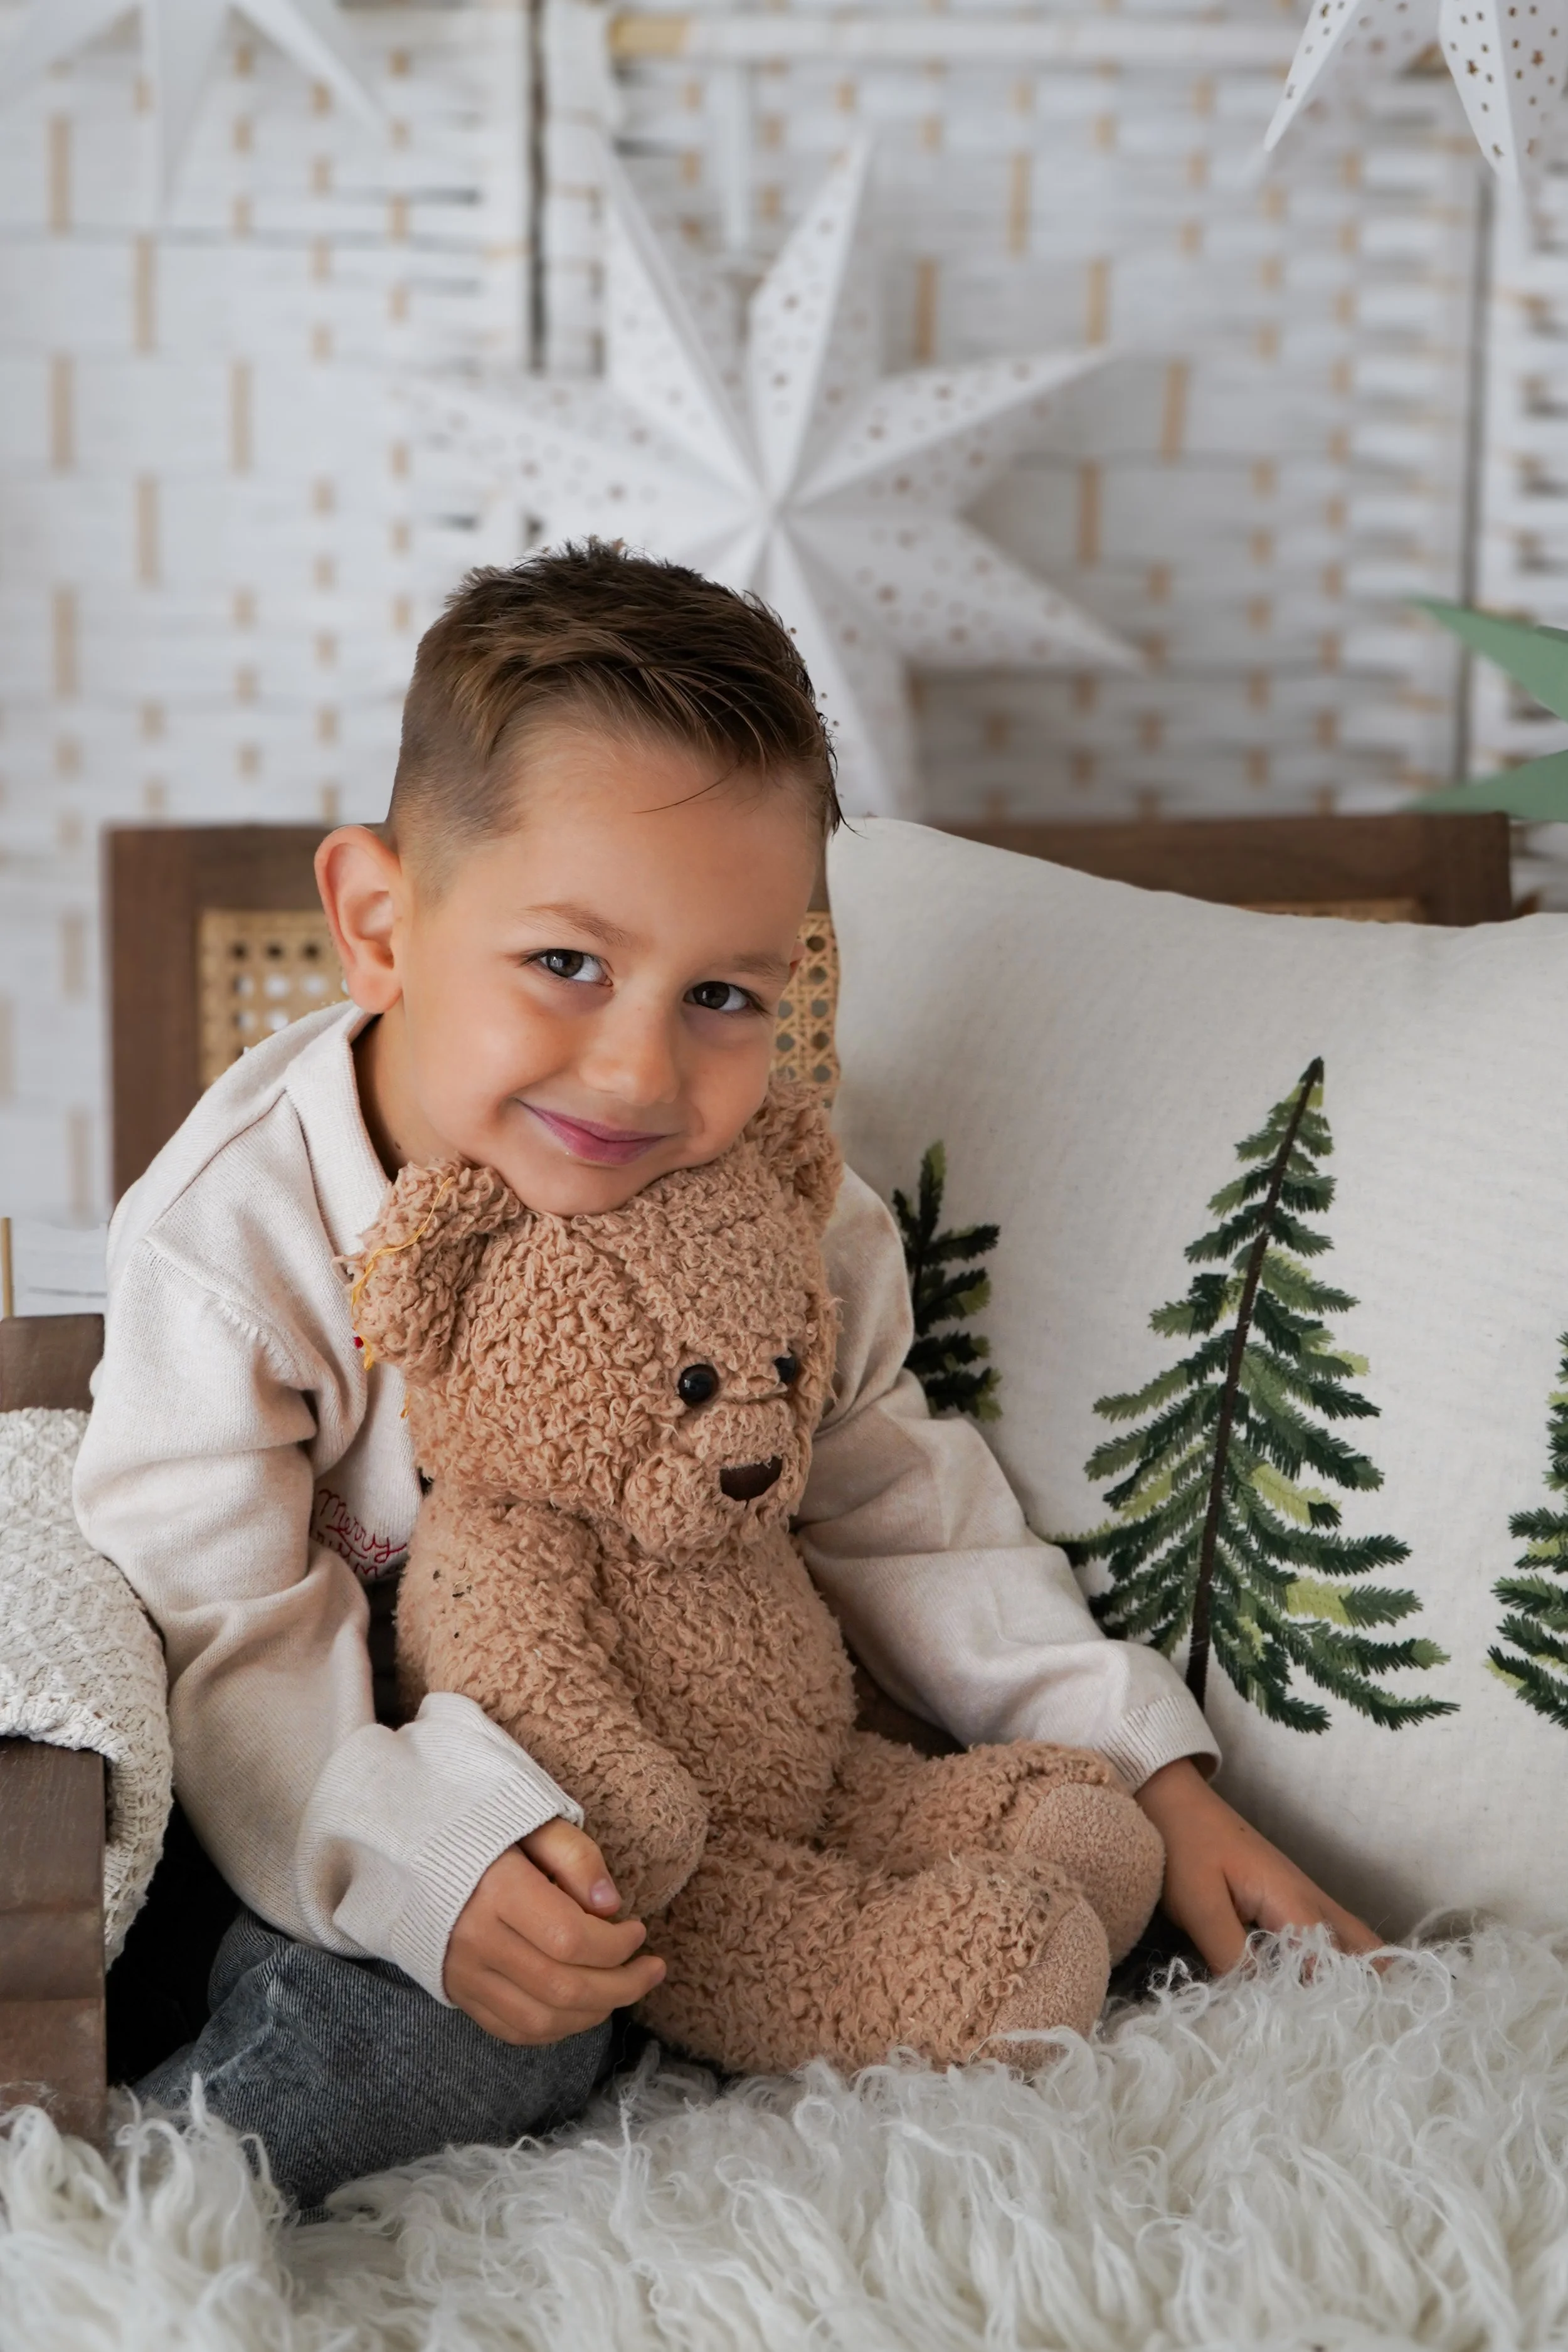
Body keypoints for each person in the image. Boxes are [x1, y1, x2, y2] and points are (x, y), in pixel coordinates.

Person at [75, 543, 1377, 2210]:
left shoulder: (783, 1212)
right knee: (452, 2043)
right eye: (567, 964)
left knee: (1042, 1863)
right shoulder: (236, 1235)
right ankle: (128, 2203)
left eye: (721, 995)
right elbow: (226, 1632)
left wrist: (1154, 1773)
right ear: (380, 924)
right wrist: (424, 1863)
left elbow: (911, 1517)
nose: (638, 1072)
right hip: (351, 1781)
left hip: (706, 1794)